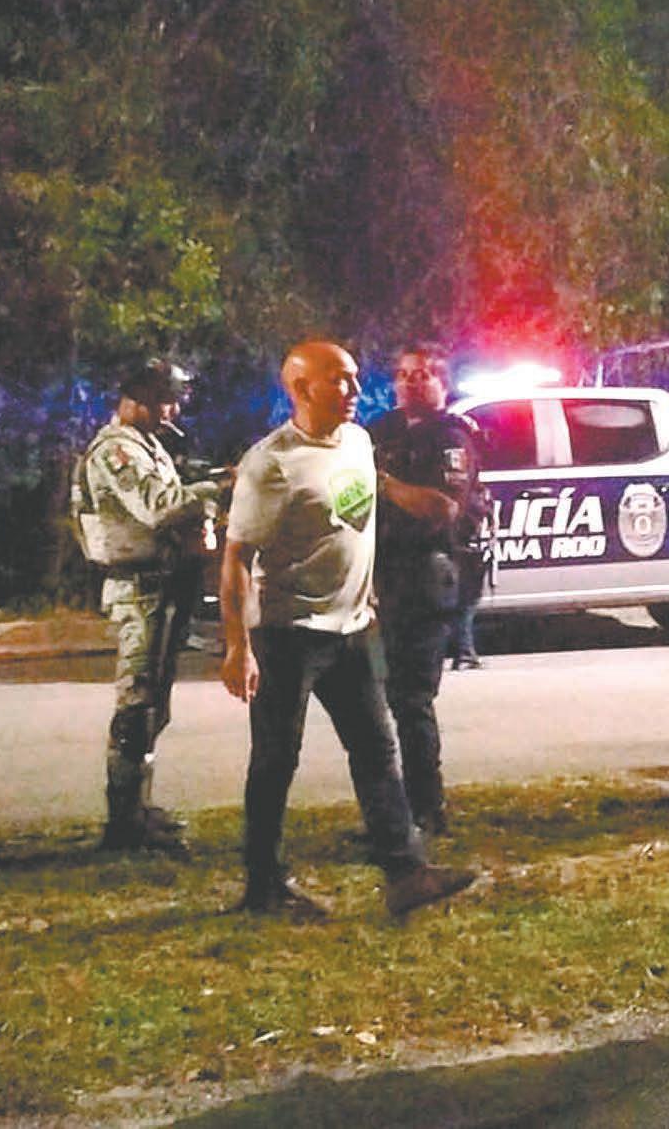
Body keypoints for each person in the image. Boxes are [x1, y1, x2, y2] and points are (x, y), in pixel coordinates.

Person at [220, 338, 477, 920]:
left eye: (356, 377)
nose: (356, 389)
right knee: (276, 759)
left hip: (353, 629)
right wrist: (238, 645)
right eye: (339, 379)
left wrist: (368, 594)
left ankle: (405, 872)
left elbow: (355, 527)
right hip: (289, 632)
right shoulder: (272, 464)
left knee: (376, 748)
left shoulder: (360, 442)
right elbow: (236, 557)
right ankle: (262, 885)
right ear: (301, 388)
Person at [71, 359, 225, 854]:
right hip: (139, 588)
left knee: (154, 704)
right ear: (136, 399)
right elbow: (160, 507)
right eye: (165, 401)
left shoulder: (146, 444)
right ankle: (123, 822)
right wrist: (220, 487)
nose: (172, 411)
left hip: (163, 582)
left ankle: (138, 807)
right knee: (137, 703)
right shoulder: (116, 450)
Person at [368, 346, 486, 837]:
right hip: (379, 577)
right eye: (402, 375)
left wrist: (382, 484)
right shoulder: (381, 431)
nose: (409, 383)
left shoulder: (451, 437)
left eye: (421, 375)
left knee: (412, 700)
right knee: (377, 702)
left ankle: (426, 808)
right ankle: (390, 814)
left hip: (424, 576)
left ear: (443, 383)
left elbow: (443, 508)